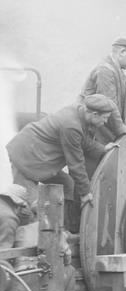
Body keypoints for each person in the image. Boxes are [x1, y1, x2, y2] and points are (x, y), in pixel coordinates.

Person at [5, 94, 119, 232]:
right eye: (105, 118)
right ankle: (29, 243)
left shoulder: (80, 111)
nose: (106, 122)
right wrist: (85, 193)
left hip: (41, 158)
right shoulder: (71, 125)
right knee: (30, 206)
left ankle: (64, 230)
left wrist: (102, 148)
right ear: (94, 114)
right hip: (25, 156)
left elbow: (82, 140)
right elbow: (76, 163)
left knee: (67, 185)